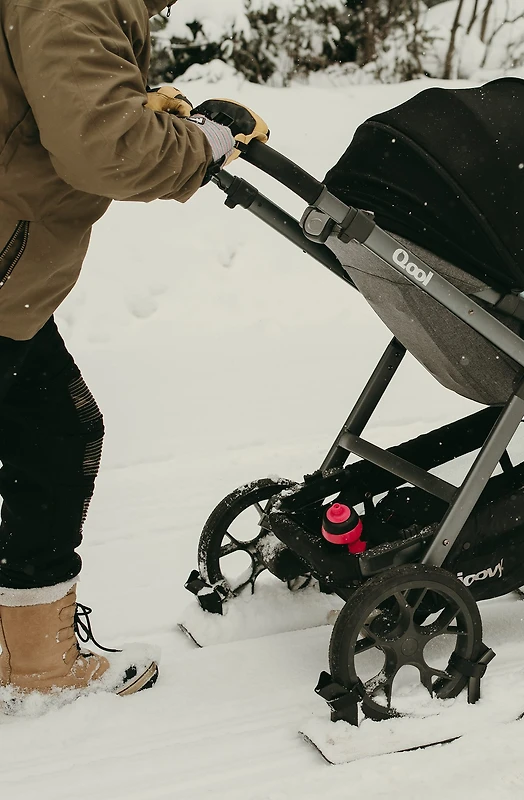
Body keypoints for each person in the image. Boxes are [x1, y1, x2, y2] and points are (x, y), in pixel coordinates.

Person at [0, 0, 267, 700]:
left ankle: (34, 663)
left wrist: (148, 110)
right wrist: (204, 143)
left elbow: (54, 101)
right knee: (54, 434)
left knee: (57, 432)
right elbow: (103, 147)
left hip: (12, 275)